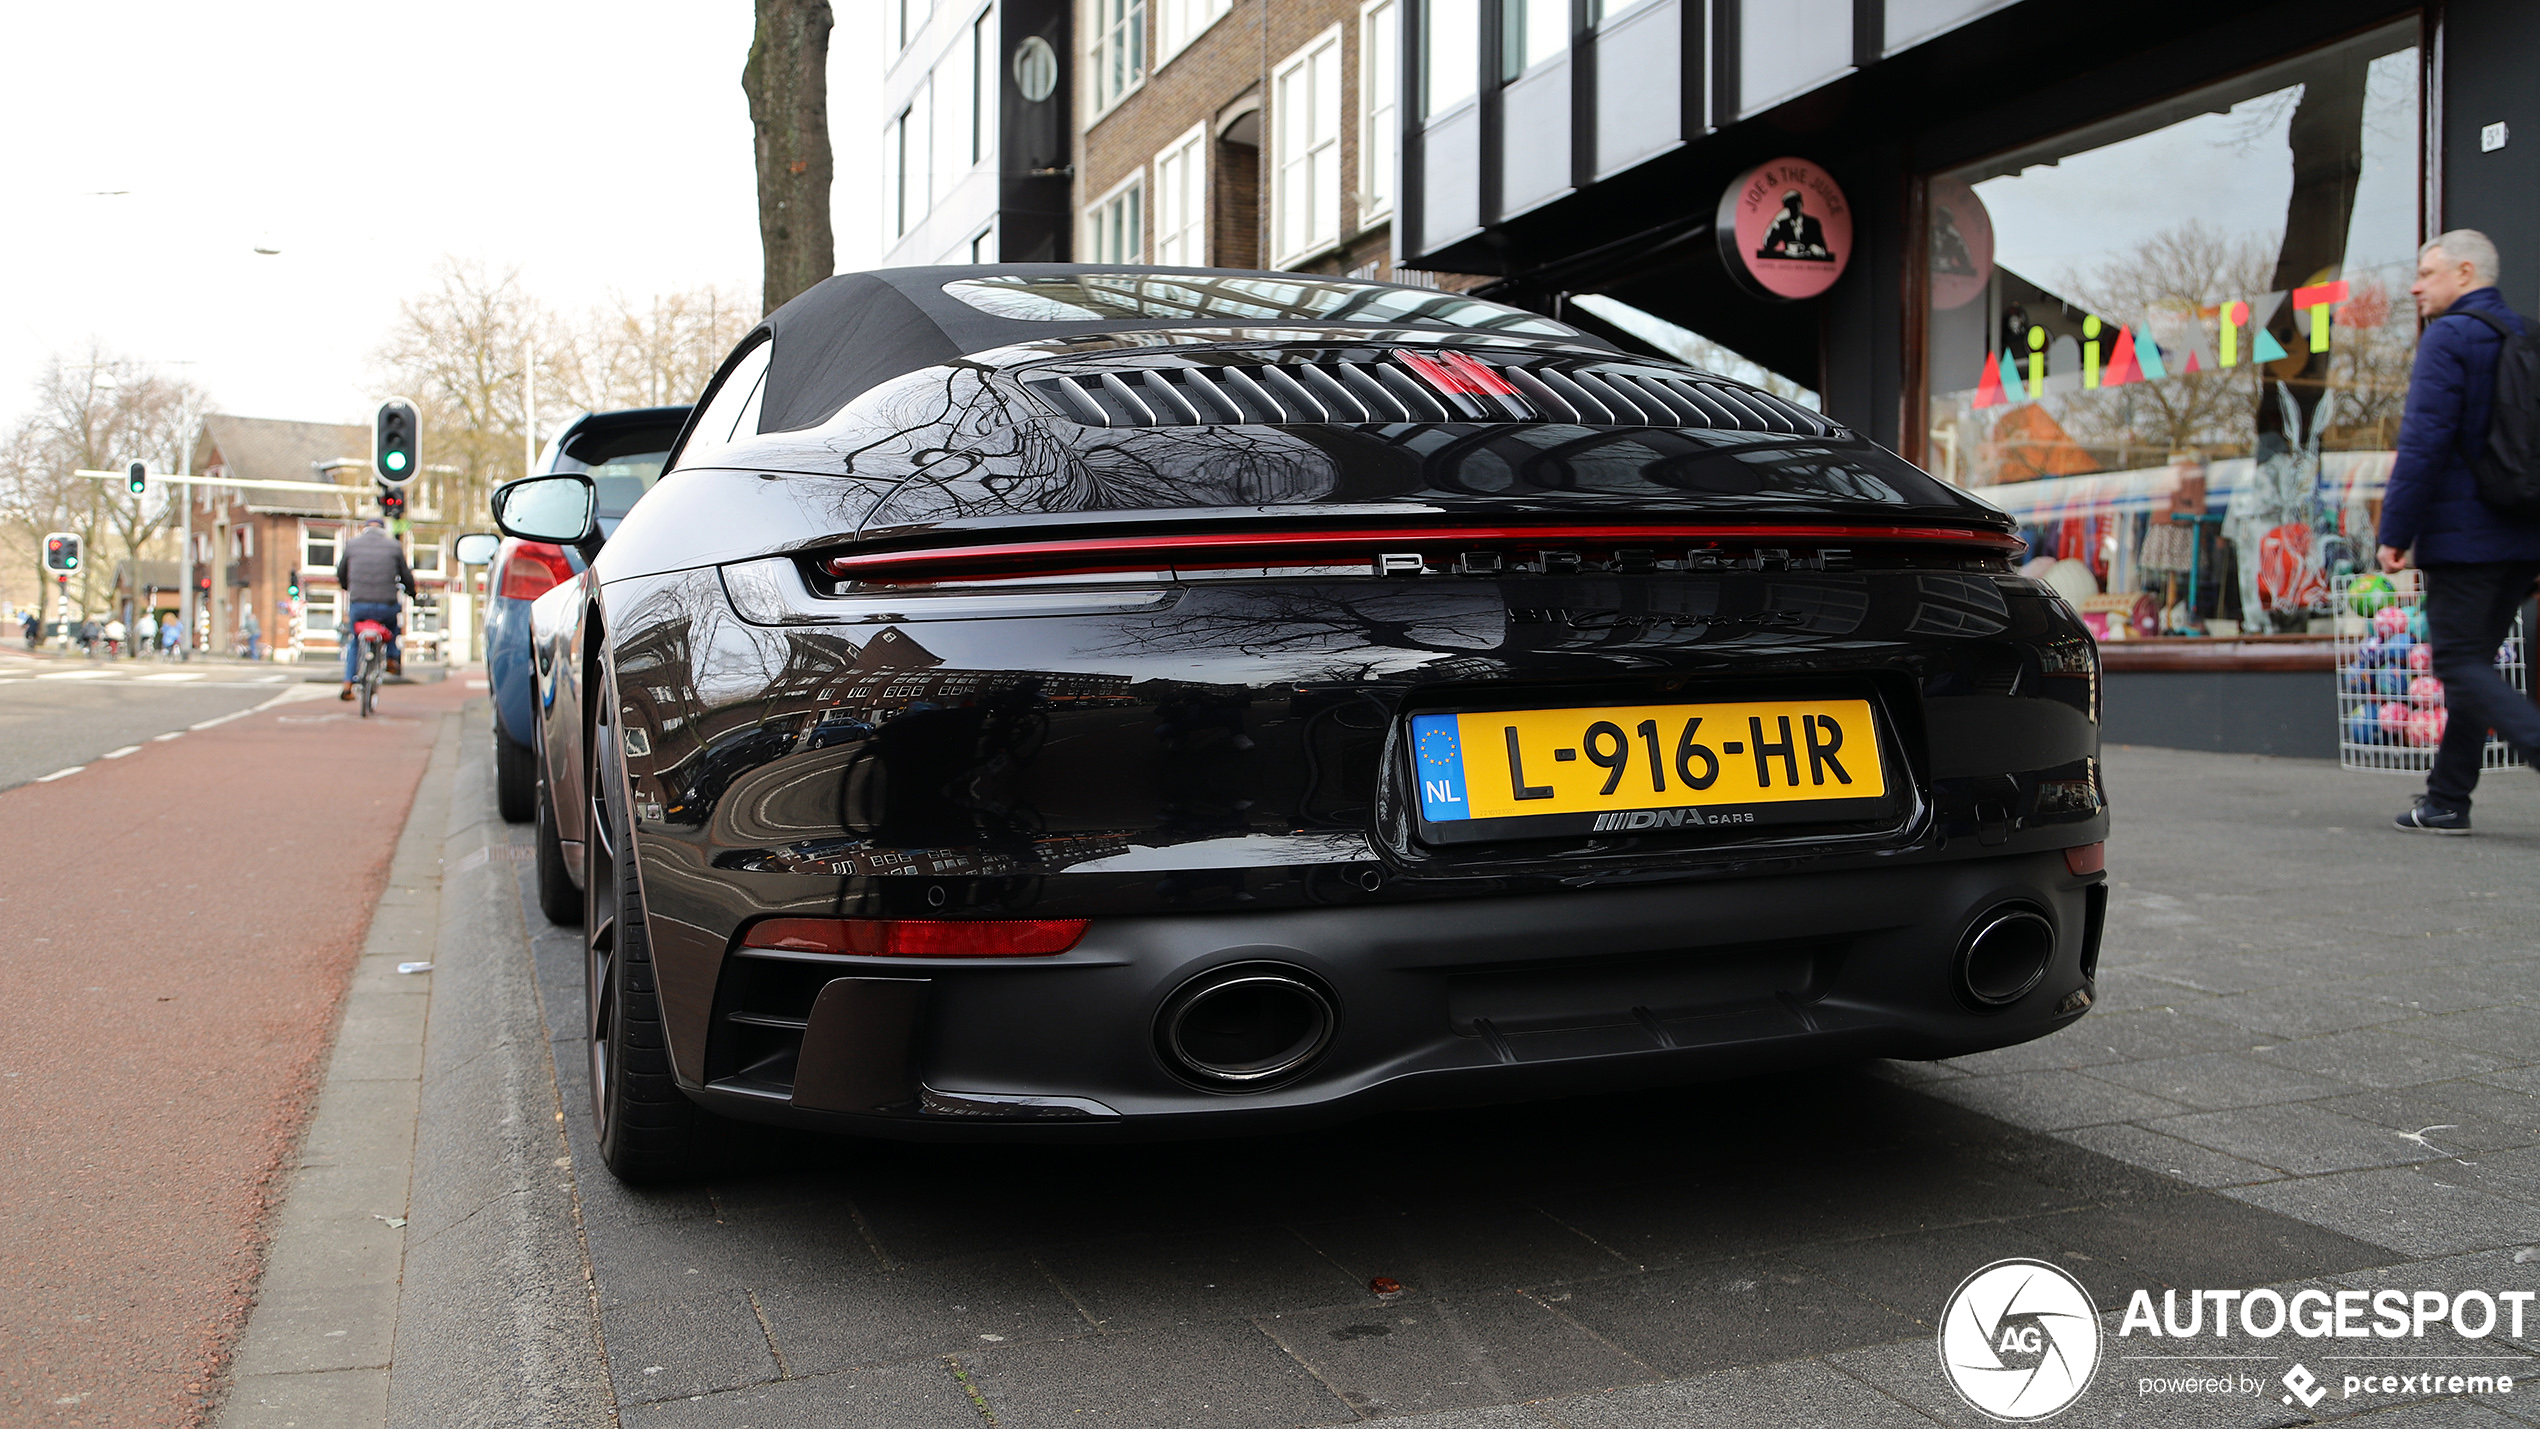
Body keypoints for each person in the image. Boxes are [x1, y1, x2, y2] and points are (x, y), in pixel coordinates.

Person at [2378, 228, 2540, 834]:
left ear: (2466, 273)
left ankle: (2453, 793)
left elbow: (2423, 444)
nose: (2416, 285)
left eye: (2427, 272)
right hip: (2522, 535)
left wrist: (2395, 531)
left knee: (2459, 661)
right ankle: (2447, 799)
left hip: (2467, 539)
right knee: (2474, 666)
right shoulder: (2527, 334)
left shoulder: (2449, 336)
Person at [336, 517, 415, 700]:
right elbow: (406, 576)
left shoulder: (352, 544)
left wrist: (348, 586)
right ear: (382, 529)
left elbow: (341, 572)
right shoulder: (394, 546)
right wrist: (412, 592)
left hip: (359, 604)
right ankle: (391, 658)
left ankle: (348, 684)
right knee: (393, 625)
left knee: (355, 641)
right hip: (386, 604)